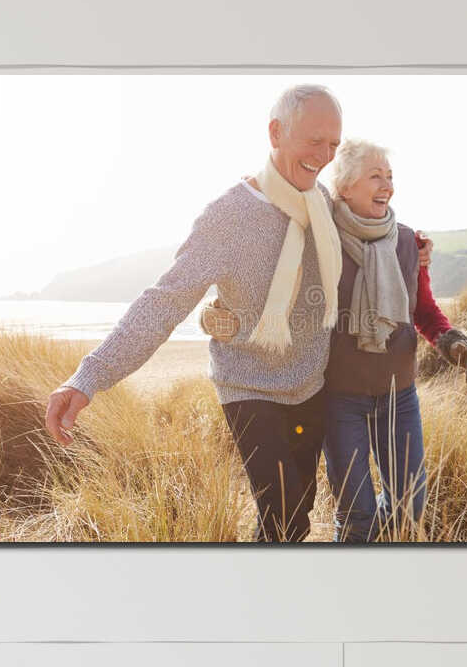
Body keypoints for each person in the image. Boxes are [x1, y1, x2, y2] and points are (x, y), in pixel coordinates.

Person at [43, 84, 347, 542]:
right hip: (248, 385)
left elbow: (366, 237)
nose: (324, 155)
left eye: (333, 145)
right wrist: (89, 376)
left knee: (297, 514)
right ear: (276, 132)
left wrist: (413, 251)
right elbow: (165, 300)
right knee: (283, 512)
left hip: (311, 383)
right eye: (314, 141)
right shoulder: (227, 216)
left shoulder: (321, 201)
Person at [315, 138, 467, 542]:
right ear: (345, 187)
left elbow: (422, 311)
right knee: (357, 515)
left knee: (409, 504)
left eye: (389, 176)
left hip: (399, 396)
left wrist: (449, 339)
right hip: (340, 400)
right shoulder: (321, 242)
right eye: (375, 176)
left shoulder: (407, 242)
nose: (387, 184)